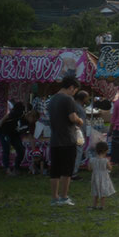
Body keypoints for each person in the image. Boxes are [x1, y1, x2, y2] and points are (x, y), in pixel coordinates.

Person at [48, 75, 85, 207]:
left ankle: (54, 198)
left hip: (55, 139)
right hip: (68, 139)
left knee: (55, 171)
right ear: (71, 87)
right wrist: (80, 121)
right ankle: (64, 197)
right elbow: (72, 117)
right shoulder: (68, 99)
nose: (74, 93)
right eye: (74, 90)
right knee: (67, 170)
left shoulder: (52, 99)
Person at [0, 102, 32, 176]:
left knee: (21, 150)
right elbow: (7, 116)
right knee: (6, 149)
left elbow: (27, 133)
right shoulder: (18, 114)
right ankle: (7, 169)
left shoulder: (28, 123)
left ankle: (16, 168)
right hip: (4, 131)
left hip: (14, 134)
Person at [89, 140, 115, 210]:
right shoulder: (105, 160)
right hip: (104, 177)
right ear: (106, 150)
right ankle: (102, 206)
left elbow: (89, 168)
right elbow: (110, 168)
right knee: (103, 192)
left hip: (95, 177)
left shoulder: (92, 160)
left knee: (95, 191)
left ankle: (94, 205)